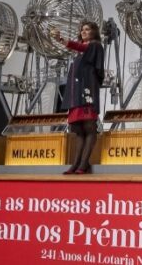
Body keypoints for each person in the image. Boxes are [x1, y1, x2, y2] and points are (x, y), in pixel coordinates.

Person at [52, 21, 104, 175]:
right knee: (79, 131)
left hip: (87, 92)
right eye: (82, 30)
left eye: (87, 29)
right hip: (76, 95)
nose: (84, 32)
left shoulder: (94, 46)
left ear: (94, 32)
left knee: (89, 128)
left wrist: (62, 40)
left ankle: (83, 164)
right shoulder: (80, 52)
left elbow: (82, 47)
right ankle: (76, 164)